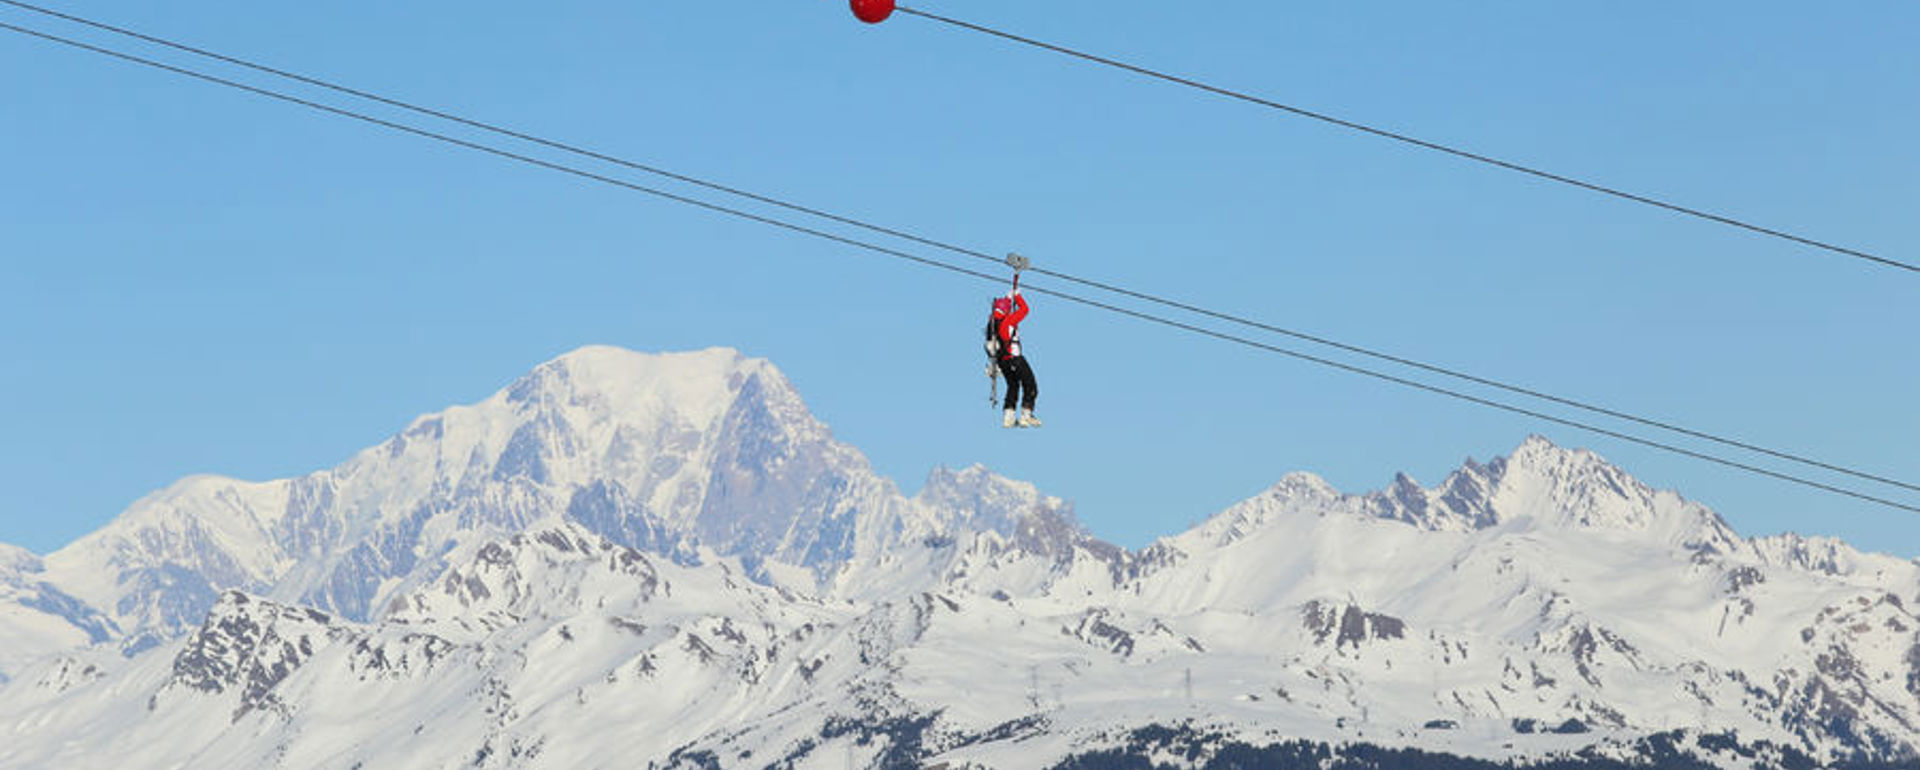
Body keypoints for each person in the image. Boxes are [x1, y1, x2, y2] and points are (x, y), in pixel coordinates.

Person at [988, 290, 1041, 428]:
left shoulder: (993, 323)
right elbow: (1025, 309)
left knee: (1013, 386)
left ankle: (1008, 416)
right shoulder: (1008, 321)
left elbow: (1003, 308)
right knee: (1030, 385)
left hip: (1003, 362)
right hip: (1015, 359)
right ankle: (1026, 414)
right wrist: (1017, 296)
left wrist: (1008, 298)